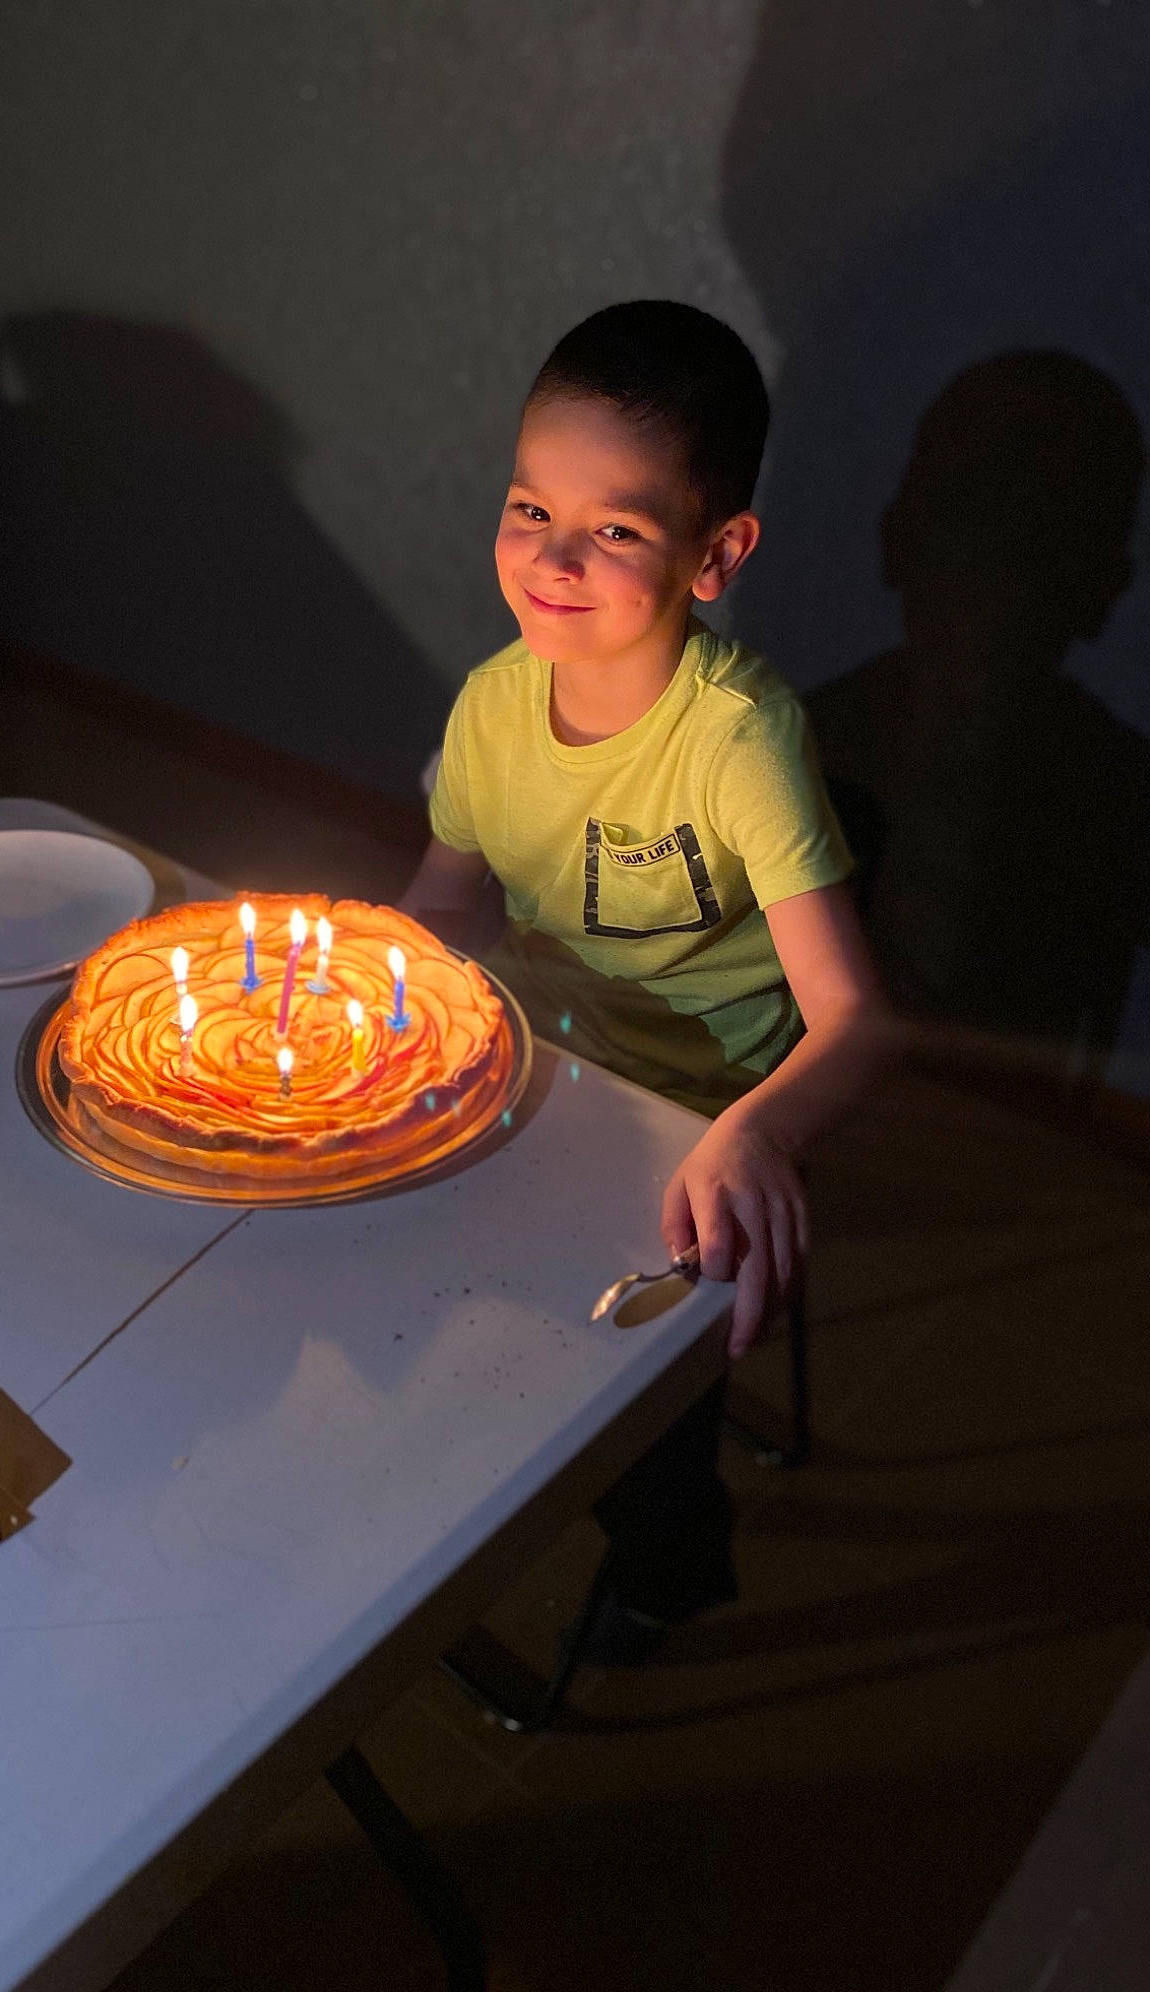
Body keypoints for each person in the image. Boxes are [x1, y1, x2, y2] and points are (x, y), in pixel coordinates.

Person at [402, 301, 898, 1661]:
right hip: (534, 1076)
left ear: (714, 555)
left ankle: (672, 1558)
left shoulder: (739, 740)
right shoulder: (490, 707)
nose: (553, 560)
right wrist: (374, 982)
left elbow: (861, 1022)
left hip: (694, 1115)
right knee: (392, 1264)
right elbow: (441, 907)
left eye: (614, 529)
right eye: (529, 509)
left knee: (635, 1383)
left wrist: (760, 1130)